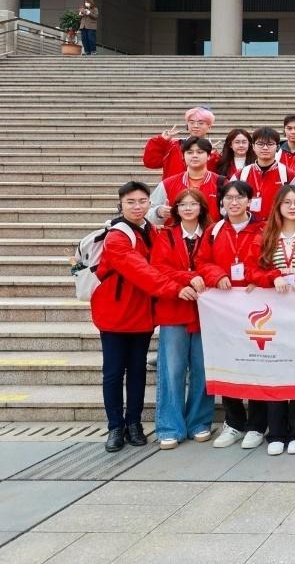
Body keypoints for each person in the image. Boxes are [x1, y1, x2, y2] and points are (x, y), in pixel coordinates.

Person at [93, 181, 192, 452]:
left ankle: (134, 424)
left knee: (137, 370)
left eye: (142, 201)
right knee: (114, 372)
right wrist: (175, 289)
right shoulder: (116, 237)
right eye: (131, 202)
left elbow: (164, 264)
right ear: (121, 205)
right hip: (115, 313)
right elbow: (142, 271)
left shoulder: (152, 231)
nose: (137, 207)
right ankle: (115, 427)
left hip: (142, 313)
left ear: (150, 203)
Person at [250, 185, 295, 456]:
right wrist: (273, 277)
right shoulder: (265, 234)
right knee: (275, 371)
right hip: (274, 311)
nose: (292, 207)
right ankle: (276, 432)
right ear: (278, 206)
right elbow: (252, 270)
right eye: (287, 202)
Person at [198, 180, 267, 449]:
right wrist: (218, 275)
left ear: (250, 201)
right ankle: (234, 422)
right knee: (228, 361)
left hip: (254, 306)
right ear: (222, 202)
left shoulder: (262, 228)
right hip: (224, 308)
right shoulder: (214, 230)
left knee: (258, 362)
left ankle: (257, 425)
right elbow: (202, 261)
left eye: (239, 197)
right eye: (228, 198)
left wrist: (256, 278)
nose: (234, 202)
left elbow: (269, 260)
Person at [149, 188, 213, 450]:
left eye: (193, 204)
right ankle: (169, 426)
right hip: (174, 308)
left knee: (202, 369)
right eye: (182, 204)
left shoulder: (210, 234)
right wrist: (186, 279)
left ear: (202, 208)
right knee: (172, 369)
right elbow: (159, 268)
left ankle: (199, 421)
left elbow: (215, 264)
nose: (188, 208)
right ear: (175, 209)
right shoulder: (167, 235)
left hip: (205, 311)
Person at [147, 137, 221, 227]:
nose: (194, 156)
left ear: (209, 156)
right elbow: (147, 213)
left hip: (211, 234)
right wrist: (158, 212)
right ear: (183, 156)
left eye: (200, 152)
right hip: (175, 235)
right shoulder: (167, 184)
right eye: (190, 152)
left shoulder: (221, 183)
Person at [239, 127, 295, 221]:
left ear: (278, 147)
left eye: (270, 144)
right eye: (260, 144)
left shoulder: (289, 175)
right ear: (253, 147)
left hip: (278, 225)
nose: (265, 148)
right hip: (248, 226)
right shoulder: (241, 174)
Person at [143, 105, 218, 179]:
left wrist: (211, 157)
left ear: (209, 126)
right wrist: (161, 141)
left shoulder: (213, 154)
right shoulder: (173, 146)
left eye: (200, 123)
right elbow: (150, 162)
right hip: (172, 186)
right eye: (191, 122)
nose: (195, 126)